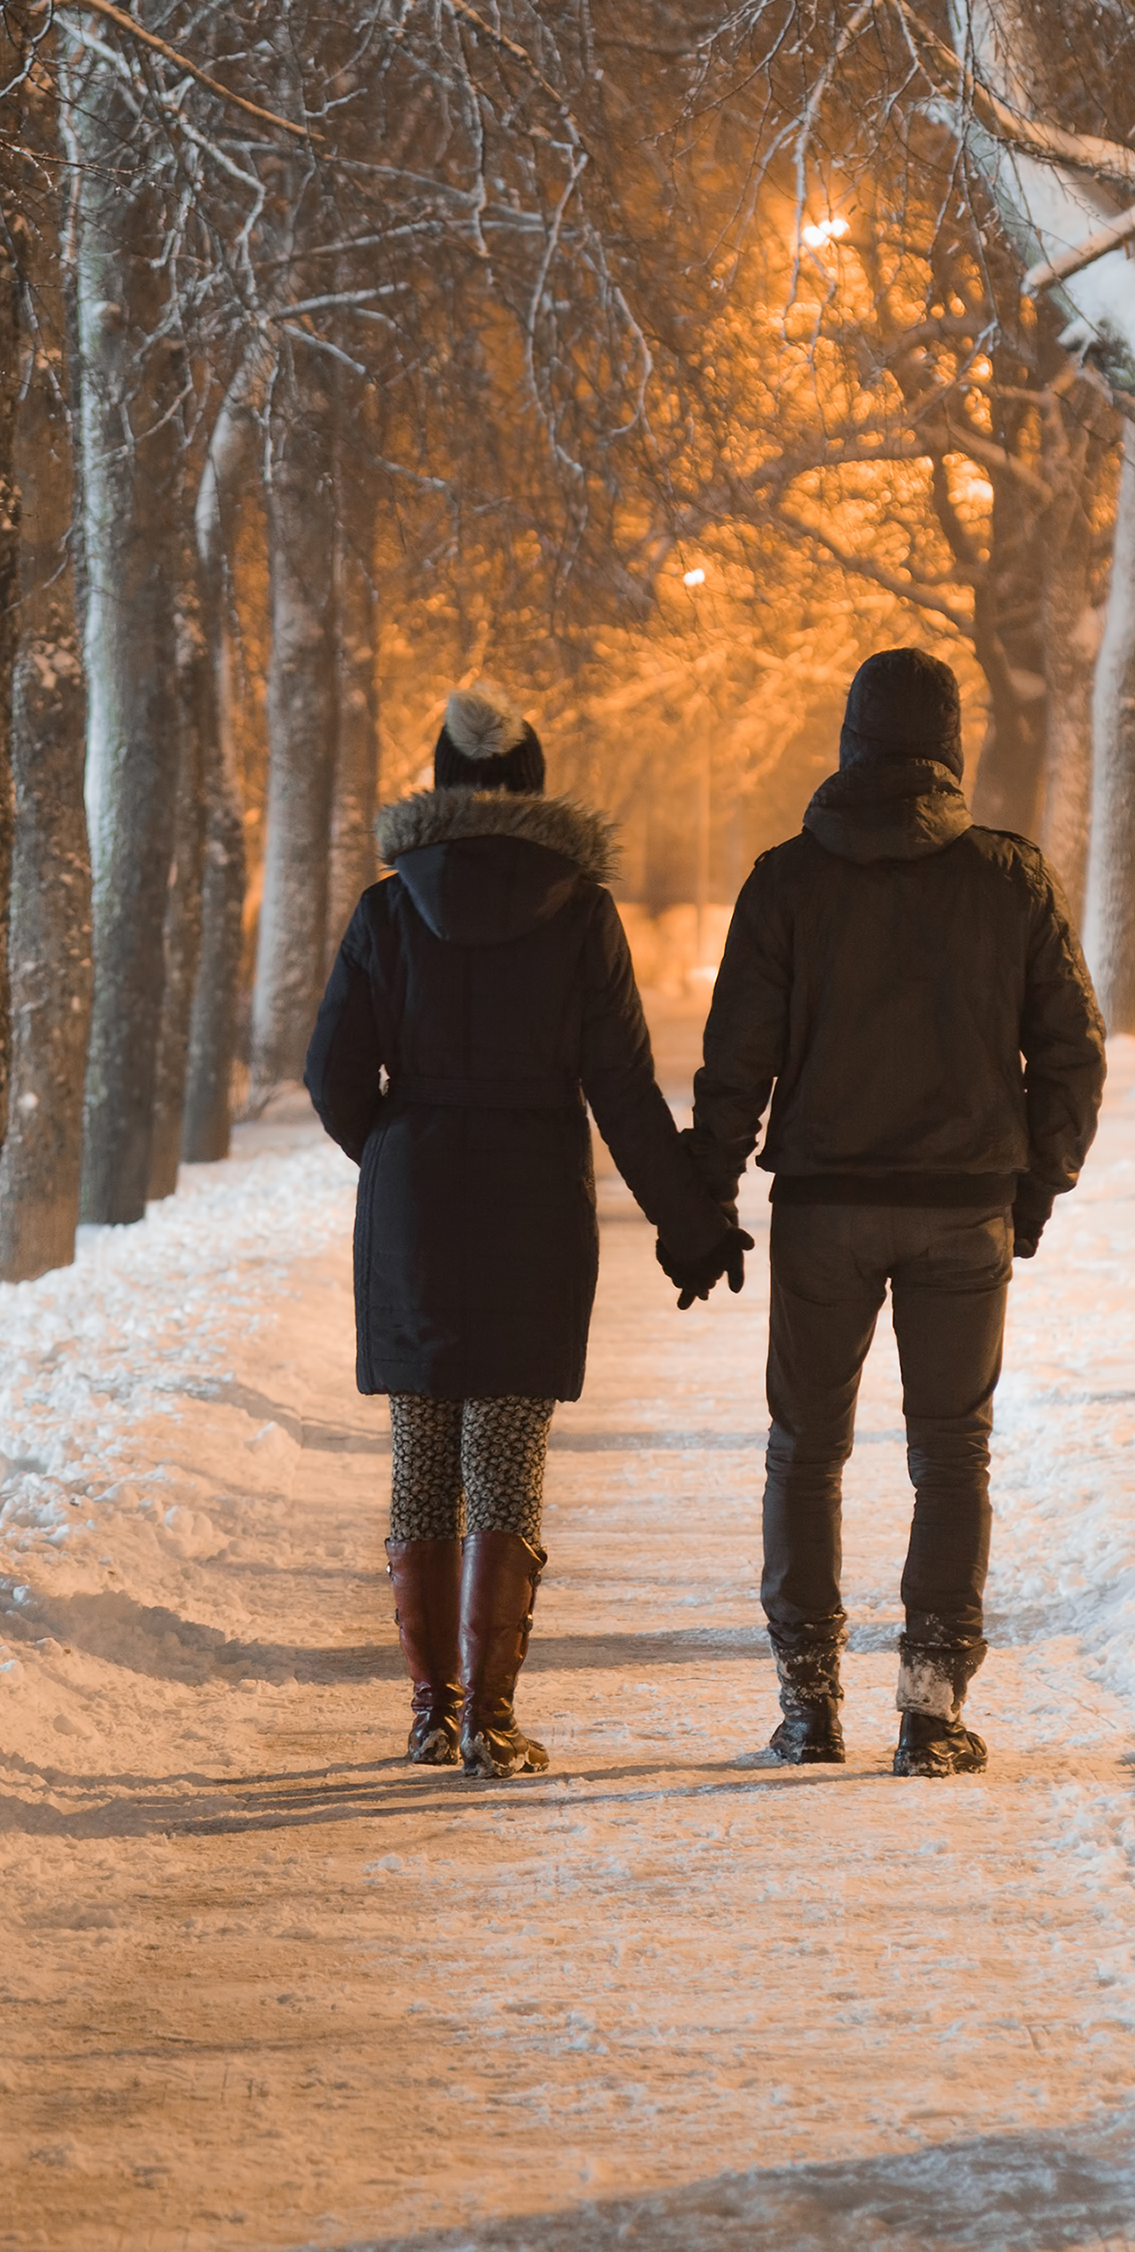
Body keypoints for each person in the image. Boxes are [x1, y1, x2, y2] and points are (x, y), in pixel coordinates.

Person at [309, 689, 746, 1778]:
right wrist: (691, 1226)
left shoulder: (385, 910)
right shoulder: (579, 910)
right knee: (504, 1455)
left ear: (439, 791)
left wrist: (399, 1151)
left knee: (422, 1458)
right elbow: (623, 1089)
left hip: (415, 1204)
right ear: (535, 789)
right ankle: (488, 1722)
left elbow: (329, 1075)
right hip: (532, 1204)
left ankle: (426, 1708)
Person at [690, 648, 1105, 1777]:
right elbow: (1071, 1052)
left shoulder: (786, 881)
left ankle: (807, 1704)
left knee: (804, 1453)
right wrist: (1033, 1188)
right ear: (949, 745)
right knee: (953, 1455)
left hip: (824, 1207)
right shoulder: (1008, 879)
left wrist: (706, 1195)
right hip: (962, 1210)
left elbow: (738, 1061)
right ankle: (929, 1706)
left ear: (848, 742)